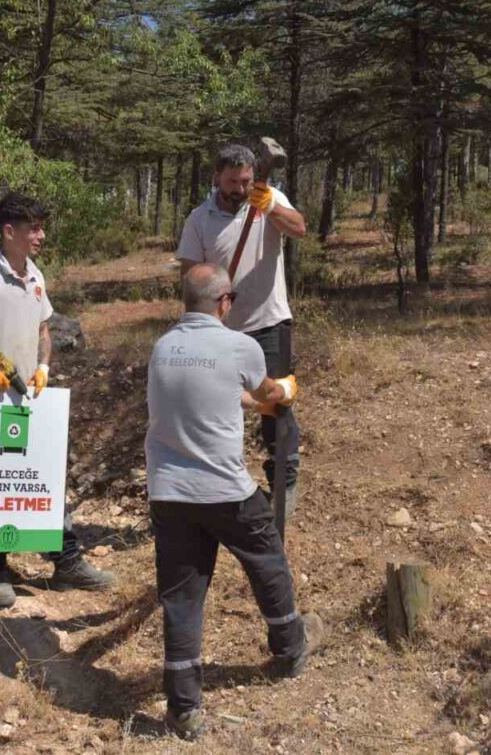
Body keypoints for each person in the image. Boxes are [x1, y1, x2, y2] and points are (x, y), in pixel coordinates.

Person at [145, 263, 325, 740]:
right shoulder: (239, 345)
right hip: (225, 492)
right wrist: (282, 391)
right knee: (268, 561)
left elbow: (214, 393)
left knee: (182, 599)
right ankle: (289, 647)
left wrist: (255, 403)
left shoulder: (163, 348)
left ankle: (184, 707)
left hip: (169, 493)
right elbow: (264, 389)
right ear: (224, 301)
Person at [0, 192, 115, 609]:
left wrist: (44, 367)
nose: (41, 236)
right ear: (9, 231)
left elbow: (45, 330)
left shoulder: (36, 277)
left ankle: (66, 561)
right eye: (33, 228)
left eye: (42, 227)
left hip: (29, 399)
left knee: (43, 477)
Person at [176, 144, 308, 520]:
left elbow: (299, 228)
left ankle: (284, 480)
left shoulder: (268, 198)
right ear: (217, 177)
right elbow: (188, 274)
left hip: (269, 320)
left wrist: (270, 207)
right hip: (218, 328)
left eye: (246, 180)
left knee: (275, 401)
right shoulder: (199, 219)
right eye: (232, 181)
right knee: (215, 402)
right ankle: (216, 481)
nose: (239, 188)